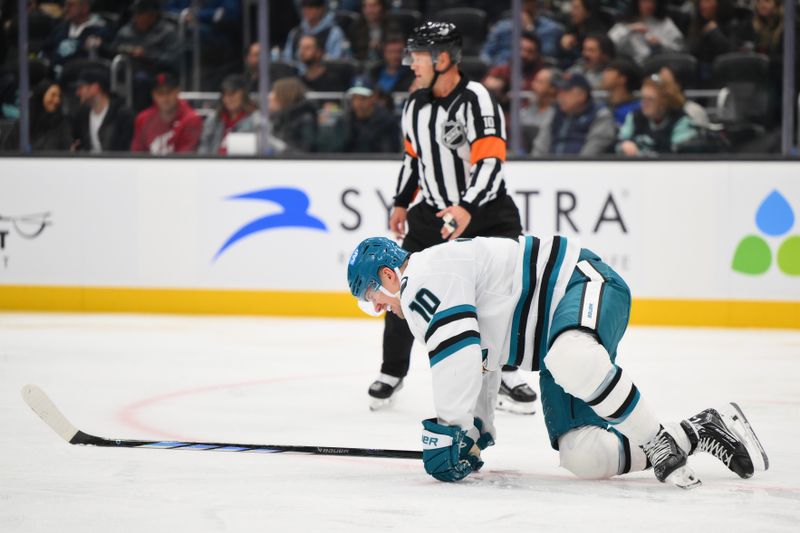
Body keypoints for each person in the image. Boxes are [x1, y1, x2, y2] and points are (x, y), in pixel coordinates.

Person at [346, 235, 770, 485]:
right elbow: (478, 365)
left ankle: (658, 443)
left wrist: (447, 431)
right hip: (558, 338)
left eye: (371, 298)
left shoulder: (422, 278)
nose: (379, 307)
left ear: (388, 276)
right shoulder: (434, 288)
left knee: (570, 358)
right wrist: (474, 434)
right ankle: (698, 430)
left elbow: (455, 357)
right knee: (584, 458)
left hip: (582, 283)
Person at [372, 22, 535, 415]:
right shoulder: (414, 105)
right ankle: (392, 371)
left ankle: (508, 373)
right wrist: (400, 202)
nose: (411, 63)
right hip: (431, 214)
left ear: (442, 59)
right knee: (401, 284)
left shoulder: (477, 100)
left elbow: (492, 161)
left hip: (487, 212)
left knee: (509, 289)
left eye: (418, 55)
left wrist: (467, 207)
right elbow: (414, 160)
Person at [110, 0, 181, 111]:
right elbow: (114, 48)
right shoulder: (127, 30)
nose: (136, 18)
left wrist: (147, 54)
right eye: (135, 14)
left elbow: (173, 60)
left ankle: (141, 116)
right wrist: (126, 50)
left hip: (158, 72)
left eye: (140, 14)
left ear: (151, 15)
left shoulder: (167, 31)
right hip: (130, 71)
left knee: (141, 80)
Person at [532, 71, 616, 156]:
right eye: (559, 91)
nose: (560, 96)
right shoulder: (555, 113)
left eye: (566, 92)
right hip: (549, 167)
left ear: (582, 95)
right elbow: (540, 148)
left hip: (583, 167)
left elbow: (591, 154)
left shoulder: (600, 115)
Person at [616, 74, 700, 156]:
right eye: (643, 98)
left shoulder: (681, 121)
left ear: (664, 101)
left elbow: (679, 154)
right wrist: (623, 145)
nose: (644, 104)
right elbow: (619, 142)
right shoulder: (635, 117)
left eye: (650, 99)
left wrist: (640, 155)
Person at [320, 76, 400, 153]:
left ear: (374, 97)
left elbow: (389, 152)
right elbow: (334, 150)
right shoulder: (344, 121)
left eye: (363, 98)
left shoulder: (386, 121)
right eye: (355, 98)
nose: (358, 103)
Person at [130, 71, 203, 154]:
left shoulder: (191, 119)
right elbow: (137, 154)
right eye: (160, 93)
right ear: (153, 95)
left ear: (177, 92)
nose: (165, 97)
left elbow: (185, 158)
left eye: (169, 92)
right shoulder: (142, 119)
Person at [72, 67, 135, 152]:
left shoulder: (123, 115)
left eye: (81, 88)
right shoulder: (81, 116)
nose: (77, 93)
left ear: (95, 88)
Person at [481, 0, 564, 64]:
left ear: (536, 5)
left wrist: (530, 29)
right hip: (501, 69)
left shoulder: (550, 29)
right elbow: (486, 53)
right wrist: (490, 68)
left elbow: (547, 56)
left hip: (532, 72)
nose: (524, 6)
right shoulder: (502, 27)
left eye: (528, 2)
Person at [2, 79, 73, 151]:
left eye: (59, 96)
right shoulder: (24, 124)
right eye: (53, 95)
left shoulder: (61, 124)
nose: (57, 100)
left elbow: (67, 151)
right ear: (42, 95)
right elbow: (7, 149)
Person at [608, 0, 685, 65]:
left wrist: (661, 44)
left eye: (652, 2)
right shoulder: (626, 21)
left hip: (659, 63)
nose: (649, 5)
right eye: (644, 1)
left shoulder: (664, 22)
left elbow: (678, 48)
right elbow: (609, 42)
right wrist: (630, 29)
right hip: (631, 64)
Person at [198, 74, 259, 155]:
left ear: (243, 95)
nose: (227, 99)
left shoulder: (256, 121)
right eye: (224, 95)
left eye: (232, 94)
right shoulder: (213, 119)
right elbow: (204, 147)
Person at [43, 0, 109, 73]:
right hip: (52, 75)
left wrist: (98, 46)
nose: (65, 9)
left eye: (70, 5)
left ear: (85, 8)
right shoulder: (60, 28)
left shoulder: (100, 31)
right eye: (65, 5)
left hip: (80, 78)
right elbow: (46, 51)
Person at [481, 31, 543, 110]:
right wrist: (492, 87)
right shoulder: (500, 71)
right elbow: (482, 90)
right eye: (520, 49)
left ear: (536, 54)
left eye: (529, 51)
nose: (523, 54)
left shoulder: (542, 75)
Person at [282, 0, 350, 64]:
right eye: (304, 6)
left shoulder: (334, 33)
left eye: (312, 6)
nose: (307, 10)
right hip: (296, 75)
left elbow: (335, 62)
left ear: (321, 9)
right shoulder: (295, 33)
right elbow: (287, 61)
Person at [268, 77, 318, 153]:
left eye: (274, 92)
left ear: (284, 95)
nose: (270, 96)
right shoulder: (279, 118)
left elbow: (304, 152)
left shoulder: (305, 119)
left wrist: (278, 146)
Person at [601, 58, 642, 126]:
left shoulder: (635, 111)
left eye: (609, 70)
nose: (604, 74)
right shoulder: (601, 106)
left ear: (622, 79)